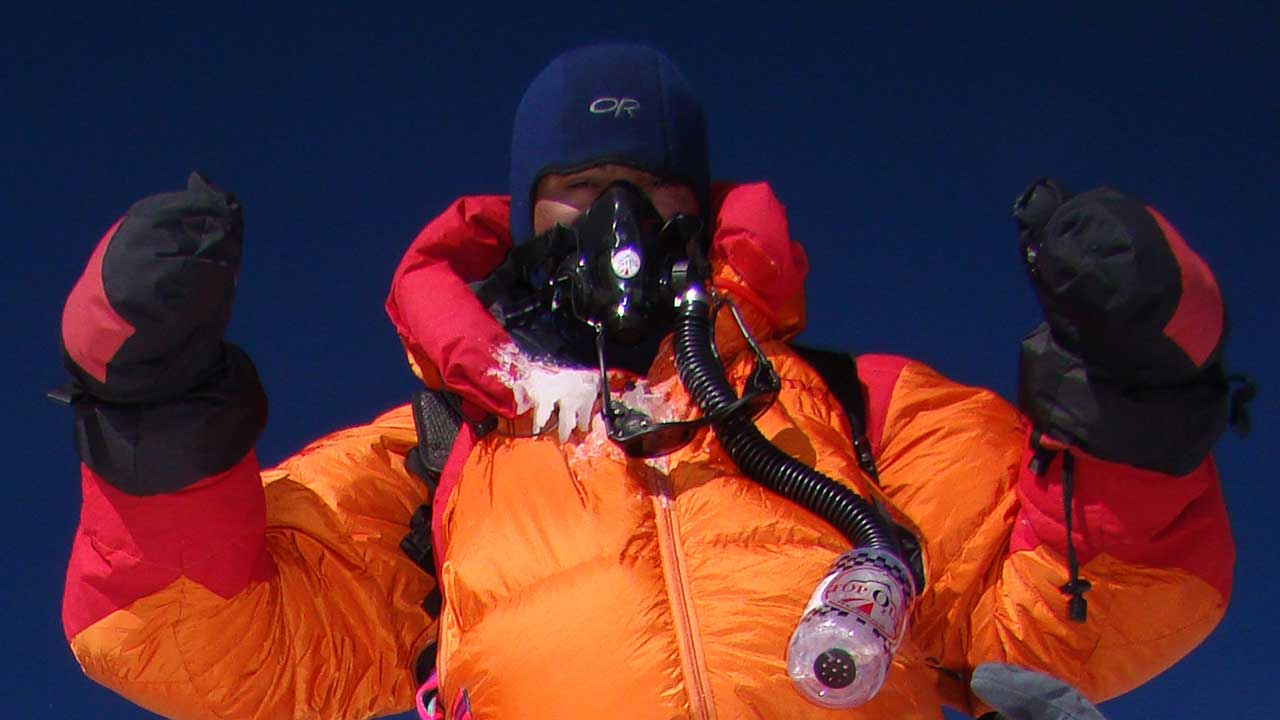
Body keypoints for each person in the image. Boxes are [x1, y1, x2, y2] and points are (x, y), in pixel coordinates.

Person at [56, 42, 1238, 720]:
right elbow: (198, 642)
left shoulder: (862, 411)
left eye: (652, 189)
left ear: (705, 211)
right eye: (576, 189)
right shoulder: (431, 456)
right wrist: (158, 408)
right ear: (521, 220)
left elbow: (1075, 615)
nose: (614, 219)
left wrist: (1130, 388)